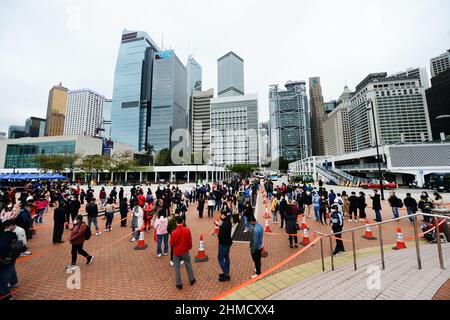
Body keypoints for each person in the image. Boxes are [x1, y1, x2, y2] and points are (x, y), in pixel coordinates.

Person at [170, 215, 196, 290]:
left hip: (176, 252)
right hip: (185, 250)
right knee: (188, 265)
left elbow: (171, 243)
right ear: (183, 221)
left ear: (176, 222)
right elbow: (189, 240)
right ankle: (191, 279)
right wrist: (189, 247)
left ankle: (179, 284)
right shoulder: (187, 230)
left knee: (177, 268)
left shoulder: (173, 232)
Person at [0, 222, 21, 301]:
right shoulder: (10, 234)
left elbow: (2, 249)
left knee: (1, 279)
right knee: (11, 269)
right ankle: (14, 282)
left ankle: (7, 297)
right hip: (11, 257)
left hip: (5, 260)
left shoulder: (5, 237)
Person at [218, 210, 232, 282]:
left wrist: (219, 229)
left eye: (221, 215)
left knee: (220, 258)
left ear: (224, 215)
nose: (220, 216)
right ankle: (226, 271)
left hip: (223, 243)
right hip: (228, 242)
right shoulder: (228, 221)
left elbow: (222, 234)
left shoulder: (225, 224)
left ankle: (226, 274)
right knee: (226, 257)